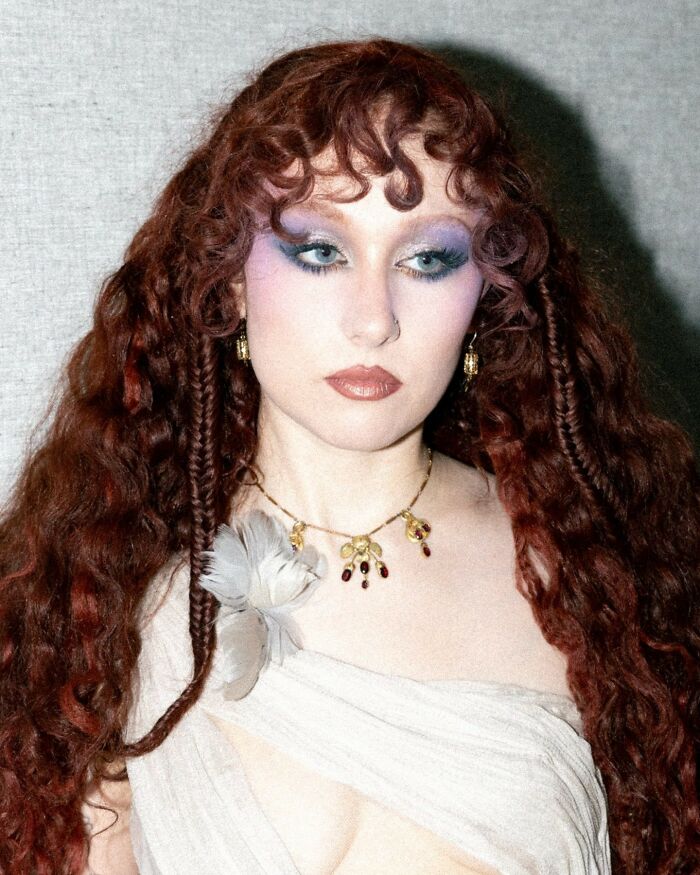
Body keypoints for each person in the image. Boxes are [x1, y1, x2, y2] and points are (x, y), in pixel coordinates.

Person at [0, 36, 698, 875]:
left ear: (487, 293)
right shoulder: (108, 608)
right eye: (321, 251)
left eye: (429, 259)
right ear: (227, 278)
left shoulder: (601, 584)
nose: (375, 319)